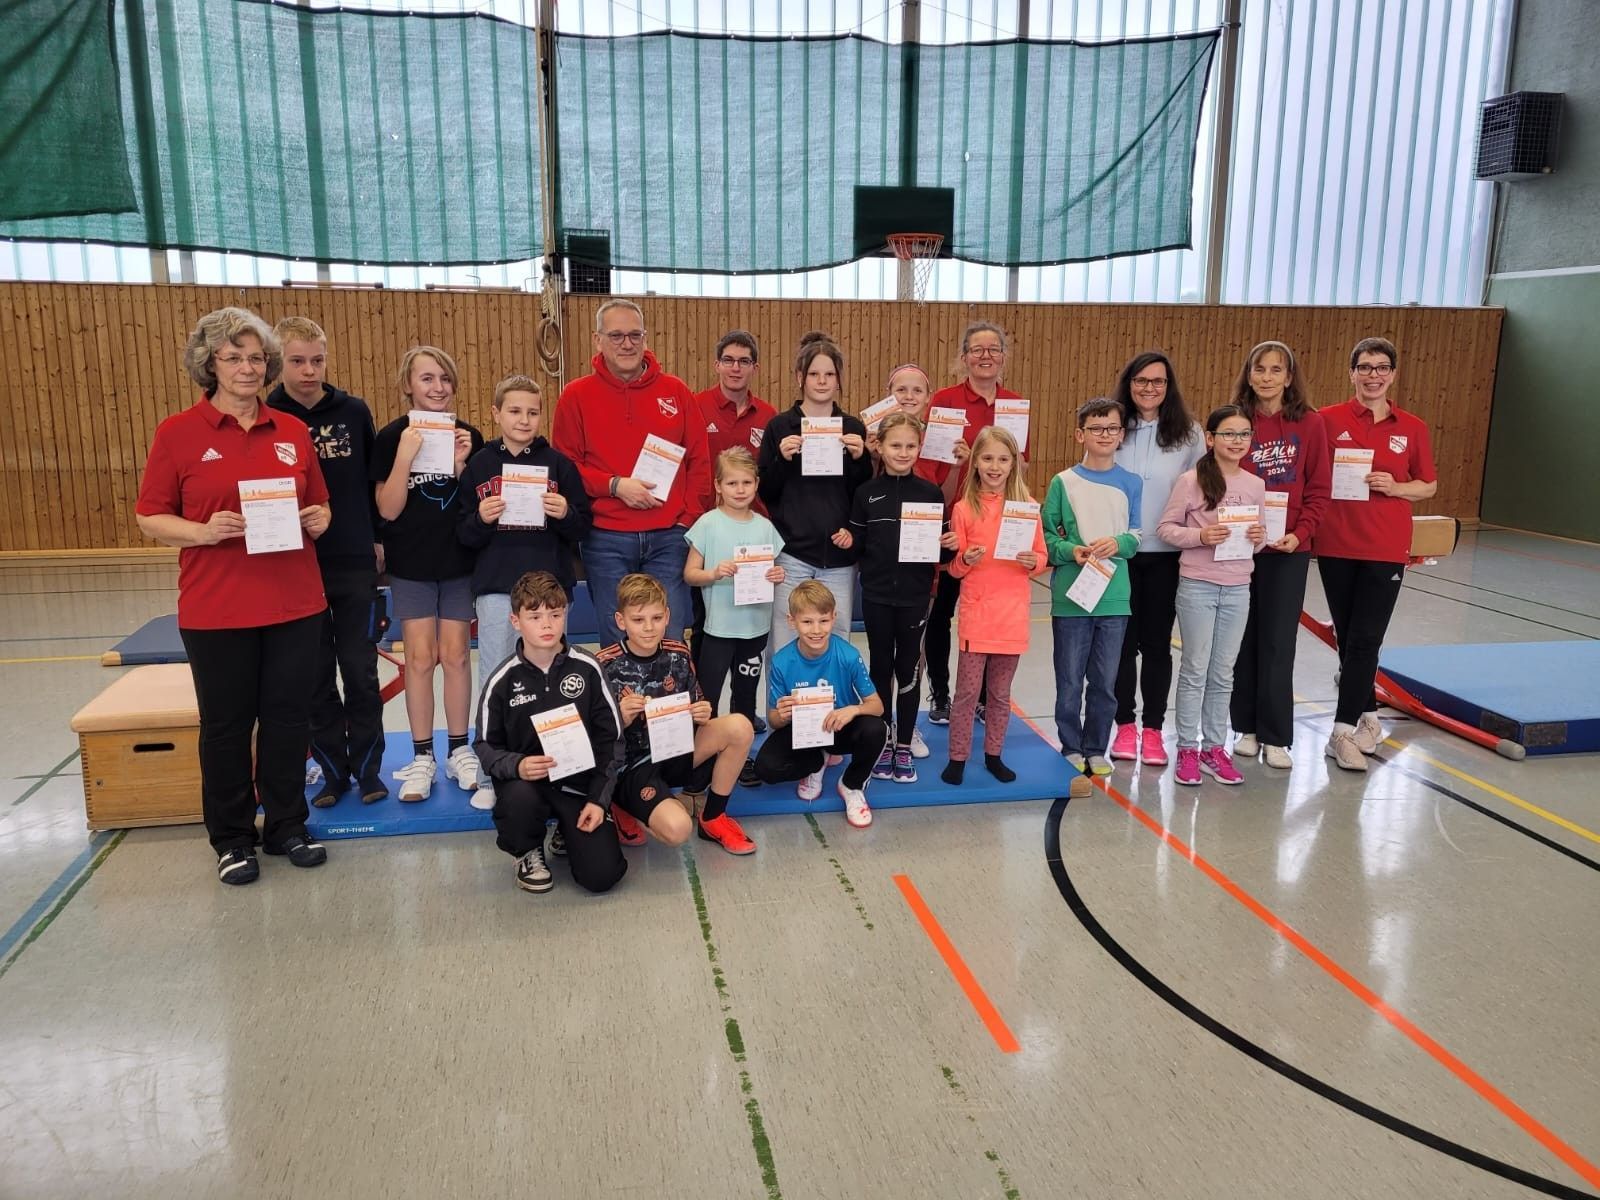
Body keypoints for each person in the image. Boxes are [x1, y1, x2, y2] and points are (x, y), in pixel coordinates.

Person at [136, 307, 331, 885]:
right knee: (226, 726)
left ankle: (288, 825)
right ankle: (232, 838)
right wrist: (201, 532)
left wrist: (320, 517)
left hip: (295, 602)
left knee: (288, 720)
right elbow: (150, 516)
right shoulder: (178, 433)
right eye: (233, 357)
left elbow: (319, 503)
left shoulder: (291, 431)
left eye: (255, 358)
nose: (247, 368)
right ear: (210, 363)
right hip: (217, 608)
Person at [265, 316, 387, 808]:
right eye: (297, 361)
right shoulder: (268, 414)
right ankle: (333, 772)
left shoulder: (353, 412)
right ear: (279, 362)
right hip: (295, 564)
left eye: (317, 360)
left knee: (360, 672)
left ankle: (369, 770)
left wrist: (378, 539)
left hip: (353, 558)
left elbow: (373, 482)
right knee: (315, 675)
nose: (309, 371)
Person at [459, 374, 590, 805]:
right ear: (496, 413)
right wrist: (481, 518)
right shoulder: (480, 465)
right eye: (514, 411)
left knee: (555, 678)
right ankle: (490, 776)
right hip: (498, 589)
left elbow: (582, 527)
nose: (524, 419)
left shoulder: (559, 465)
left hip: (550, 590)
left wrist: (565, 512)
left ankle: (562, 766)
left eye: (532, 412)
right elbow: (463, 534)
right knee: (496, 678)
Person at [551, 299, 712, 647]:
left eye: (635, 335)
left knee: (668, 636)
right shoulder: (575, 396)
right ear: (597, 340)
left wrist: (686, 521)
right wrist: (613, 485)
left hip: (669, 536)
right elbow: (566, 467)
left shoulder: (676, 392)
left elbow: (699, 461)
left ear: (645, 338)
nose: (627, 344)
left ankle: (669, 688)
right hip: (605, 538)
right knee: (616, 639)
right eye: (616, 335)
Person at [1316, 338, 1437, 772]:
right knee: (1349, 639)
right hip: (1336, 544)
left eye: (1381, 367)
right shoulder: (1326, 420)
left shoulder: (1413, 427)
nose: (1373, 375)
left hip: (1386, 546)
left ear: (1393, 374)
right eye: (1365, 367)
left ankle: (1341, 732)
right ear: (1352, 373)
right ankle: (1369, 717)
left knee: (1367, 638)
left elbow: (1428, 484)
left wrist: (1396, 486)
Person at [371, 346, 485, 801]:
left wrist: (461, 469)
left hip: (458, 563)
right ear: (408, 385)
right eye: (427, 379)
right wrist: (405, 456)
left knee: (456, 656)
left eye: (445, 379)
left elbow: (477, 507)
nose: (438, 387)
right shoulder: (390, 437)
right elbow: (388, 509)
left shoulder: (468, 435)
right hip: (412, 565)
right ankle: (422, 755)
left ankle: (459, 748)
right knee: (419, 658)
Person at [473, 571, 627, 895]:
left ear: (565, 614)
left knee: (602, 876)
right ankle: (526, 850)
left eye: (555, 615)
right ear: (515, 621)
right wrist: (517, 765)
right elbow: (485, 746)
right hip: (526, 787)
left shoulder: (588, 668)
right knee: (518, 798)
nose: (547, 625)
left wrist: (598, 801)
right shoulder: (501, 680)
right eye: (535, 616)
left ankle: (567, 832)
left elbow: (611, 741)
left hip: (577, 786)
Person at [595, 574, 758, 855]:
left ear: (668, 617)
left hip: (674, 750)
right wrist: (620, 718)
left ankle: (714, 817)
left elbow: (697, 703)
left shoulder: (678, 654)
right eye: (638, 620)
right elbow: (592, 737)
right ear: (621, 621)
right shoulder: (603, 664)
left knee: (740, 726)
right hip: (632, 766)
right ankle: (621, 804)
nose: (649, 628)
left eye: (657, 618)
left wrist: (702, 711)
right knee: (678, 829)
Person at [1229, 341, 1331, 769]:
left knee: (1277, 641)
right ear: (1249, 374)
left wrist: (1299, 534)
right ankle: (1245, 728)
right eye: (1260, 368)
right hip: (1240, 548)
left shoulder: (1310, 424)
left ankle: (1275, 736)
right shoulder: (1236, 422)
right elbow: (1219, 480)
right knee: (1242, 639)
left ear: (1289, 378)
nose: (1267, 377)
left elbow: (1319, 489)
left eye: (1276, 370)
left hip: (1288, 550)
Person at [1157, 406, 1267, 787]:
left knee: (1223, 672)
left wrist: (1259, 538)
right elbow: (1166, 528)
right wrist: (1200, 536)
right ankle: (1188, 748)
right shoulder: (1191, 480)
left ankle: (1214, 748)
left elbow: (1259, 537)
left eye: (1244, 434)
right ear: (1210, 438)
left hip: (1238, 587)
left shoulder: (1255, 485)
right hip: (1198, 585)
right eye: (1228, 434)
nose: (1237, 441)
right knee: (1195, 668)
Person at [1043, 398, 1142, 793]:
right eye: (1096, 428)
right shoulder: (1062, 482)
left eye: (1112, 428)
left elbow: (1136, 535)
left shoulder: (1132, 483)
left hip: (1114, 598)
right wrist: (1072, 551)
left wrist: (1118, 543)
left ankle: (1096, 746)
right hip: (1072, 597)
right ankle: (1070, 744)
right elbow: (1047, 537)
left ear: (1121, 435)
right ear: (1079, 434)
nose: (1105, 435)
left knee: (1104, 680)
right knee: (1069, 680)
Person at [1110, 351, 1204, 768]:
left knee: (1157, 645)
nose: (1149, 388)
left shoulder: (1188, 433)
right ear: (1129, 384)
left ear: (1169, 387)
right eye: (1141, 380)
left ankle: (1152, 729)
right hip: (1120, 554)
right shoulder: (1114, 426)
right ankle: (1124, 726)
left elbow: (1203, 491)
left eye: (1158, 381)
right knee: (1121, 645)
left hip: (1166, 556)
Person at [848, 413, 953, 784]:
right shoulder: (865, 493)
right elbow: (857, 546)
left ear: (919, 447)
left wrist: (950, 546)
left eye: (911, 446)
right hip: (876, 596)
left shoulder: (930, 494)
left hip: (915, 598)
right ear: (879, 446)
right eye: (895, 445)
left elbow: (941, 554)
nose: (903, 452)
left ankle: (904, 744)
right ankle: (882, 742)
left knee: (908, 669)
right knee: (880, 668)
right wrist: (847, 540)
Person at [939, 427, 1047, 786]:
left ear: (1014, 464)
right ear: (975, 463)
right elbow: (954, 569)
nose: (995, 466)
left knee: (1000, 694)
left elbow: (1042, 556)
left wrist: (1034, 561)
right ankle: (957, 757)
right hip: (978, 615)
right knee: (967, 693)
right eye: (987, 458)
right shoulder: (963, 509)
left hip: (1012, 616)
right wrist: (965, 559)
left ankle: (993, 755)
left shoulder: (1028, 508)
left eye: (1003, 459)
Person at [924, 322, 1017, 724]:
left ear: (1003, 357)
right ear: (964, 357)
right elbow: (930, 471)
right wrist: (956, 464)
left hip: (996, 527)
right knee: (941, 611)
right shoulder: (945, 401)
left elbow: (1020, 469)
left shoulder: (1015, 406)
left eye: (993, 349)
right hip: (952, 523)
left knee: (987, 614)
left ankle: (981, 696)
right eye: (977, 349)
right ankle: (941, 694)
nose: (985, 356)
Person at [757, 332, 872, 650]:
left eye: (829, 374)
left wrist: (861, 460)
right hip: (792, 555)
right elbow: (766, 492)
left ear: (839, 379)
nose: (822, 381)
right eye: (814, 374)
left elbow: (862, 495)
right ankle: (781, 690)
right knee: (784, 643)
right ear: (800, 377)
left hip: (839, 558)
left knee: (836, 643)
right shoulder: (780, 427)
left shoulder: (853, 428)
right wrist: (781, 460)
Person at [684, 447, 786, 790]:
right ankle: (702, 758)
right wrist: (713, 573)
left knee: (745, 695)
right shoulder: (707, 524)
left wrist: (777, 576)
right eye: (732, 483)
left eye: (746, 483)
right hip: (718, 629)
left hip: (754, 628)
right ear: (718, 486)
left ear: (756, 485)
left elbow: (774, 570)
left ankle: (740, 757)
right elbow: (689, 574)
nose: (740, 490)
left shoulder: (765, 527)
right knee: (708, 697)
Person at [690, 330, 776, 726]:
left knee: (748, 642)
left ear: (755, 367)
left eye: (744, 361)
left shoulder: (769, 416)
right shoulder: (696, 407)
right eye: (729, 360)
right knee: (706, 630)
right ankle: (705, 720)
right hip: (707, 530)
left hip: (752, 537)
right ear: (717, 364)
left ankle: (743, 717)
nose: (736, 367)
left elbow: (776, 475)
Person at [756, 581, 887, 828]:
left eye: (823, 621)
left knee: (877, 729)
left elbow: (877, 706)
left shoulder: (848, 655)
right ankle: (815, 763)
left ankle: (851, 785)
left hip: (839, 729)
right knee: (766, 769)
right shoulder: (782, 661)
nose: (816, 630)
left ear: (834, 618)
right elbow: (774, 719)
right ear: (791, 621)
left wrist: (853, 709)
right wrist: (782, 715)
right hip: (803, 733)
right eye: (807, 622)